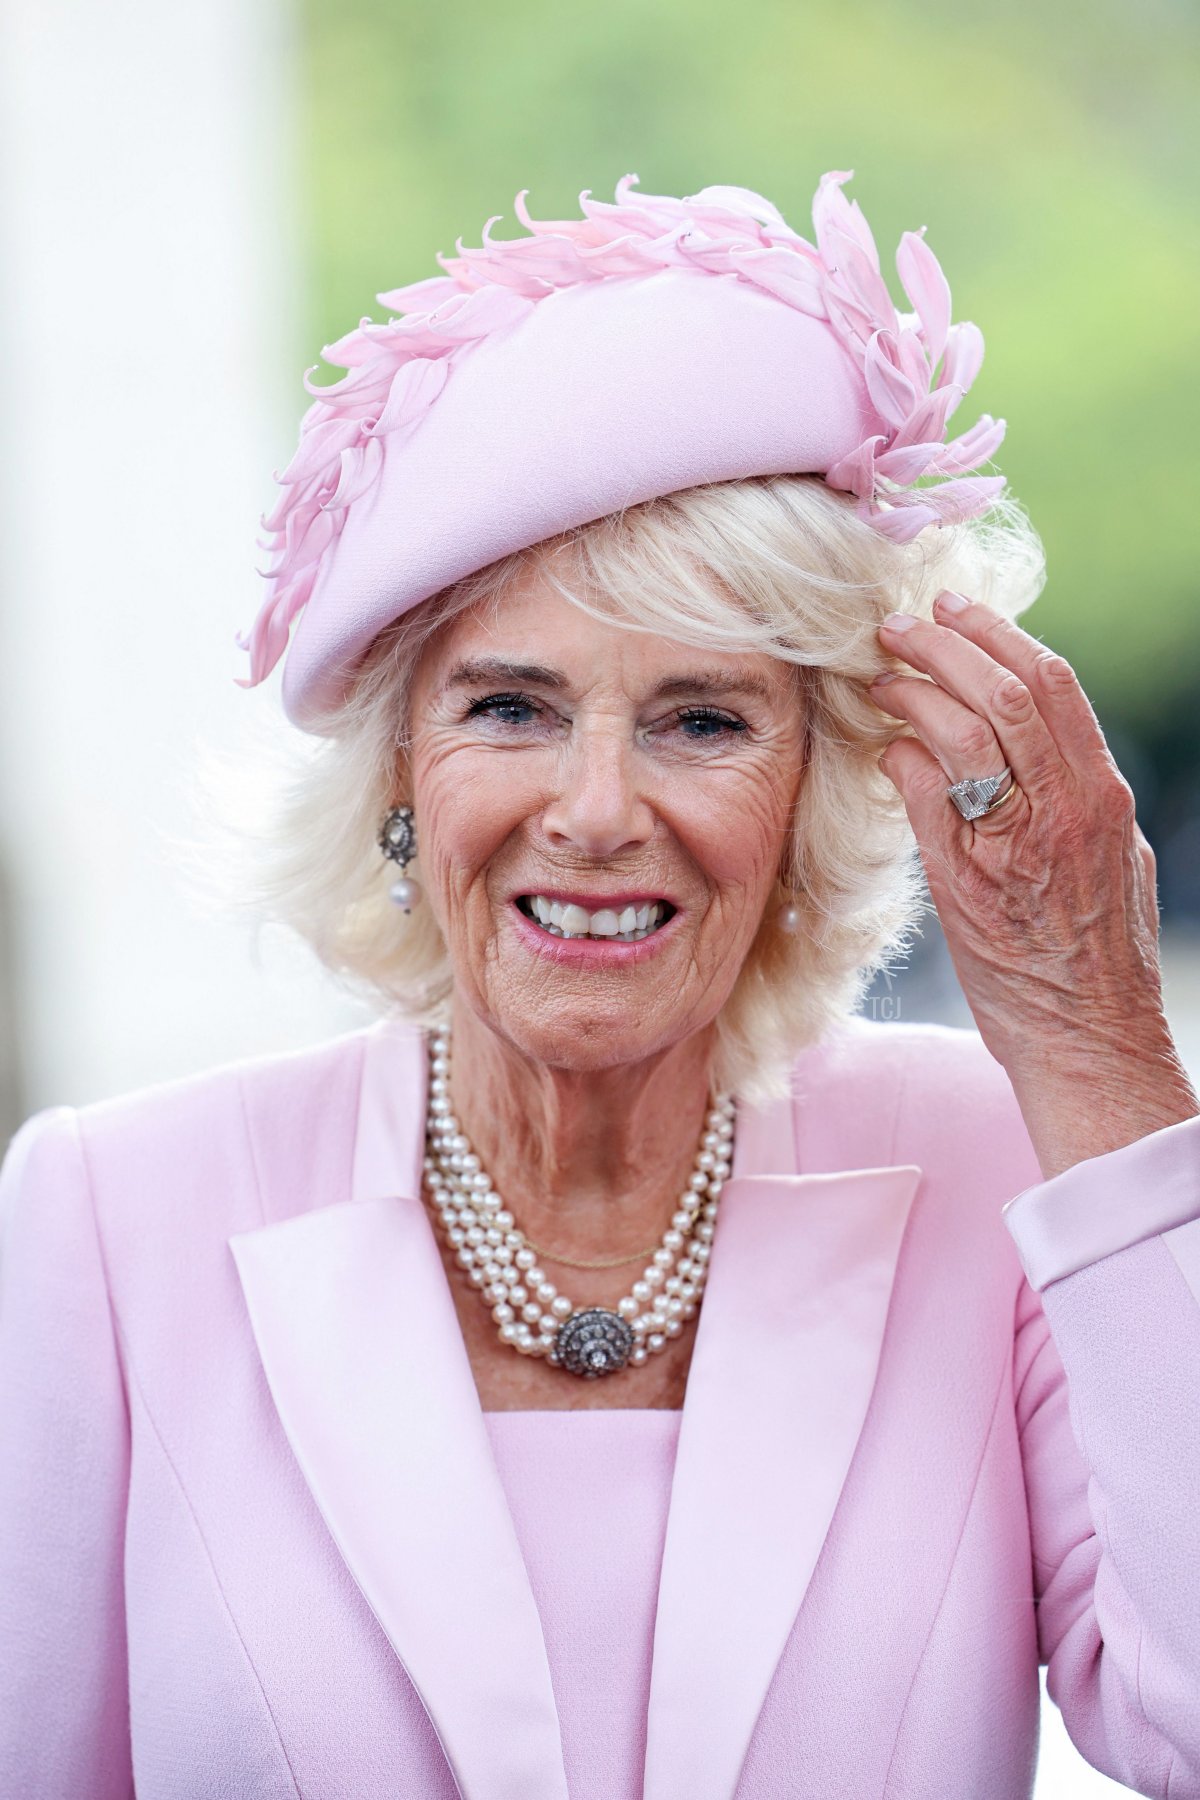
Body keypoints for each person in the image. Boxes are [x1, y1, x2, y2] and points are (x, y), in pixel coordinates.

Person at [1, 169, 1198, 1800]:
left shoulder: (996, 1163)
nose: (596, 810)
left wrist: (1093, 1036)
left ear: (814, 792)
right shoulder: (107, 1217)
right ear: (397, 773)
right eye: (511, 709)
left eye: (703, 720)